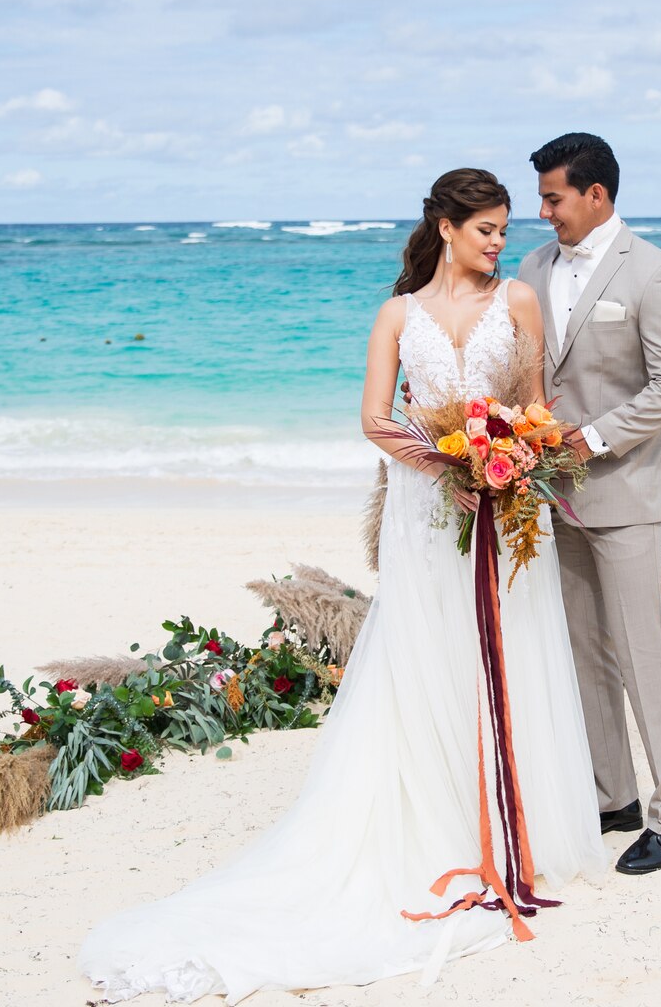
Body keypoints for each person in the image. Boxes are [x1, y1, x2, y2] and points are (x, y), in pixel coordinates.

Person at [79, 168, 603, 1002]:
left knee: (508, 651)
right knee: (426, 651)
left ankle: (511, 827)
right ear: (443, 227)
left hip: (503, 512)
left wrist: (514, 460)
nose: (502, 243)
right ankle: (436, 823)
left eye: (506, 230)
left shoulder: (520, 304)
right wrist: (447, 464)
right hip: (428, 510)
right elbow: (374, 418)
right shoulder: (397, 314)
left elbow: (535, 404)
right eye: (486, 231)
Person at [516, 133, 661, 875]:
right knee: (583, 653)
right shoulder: (533, 268)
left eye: (554, 197)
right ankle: (612, 795)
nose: (543, 212)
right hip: (552, 498)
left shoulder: (657, 272)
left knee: (640, 655)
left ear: (597, 195)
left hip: (624, 493)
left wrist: (591, 438)